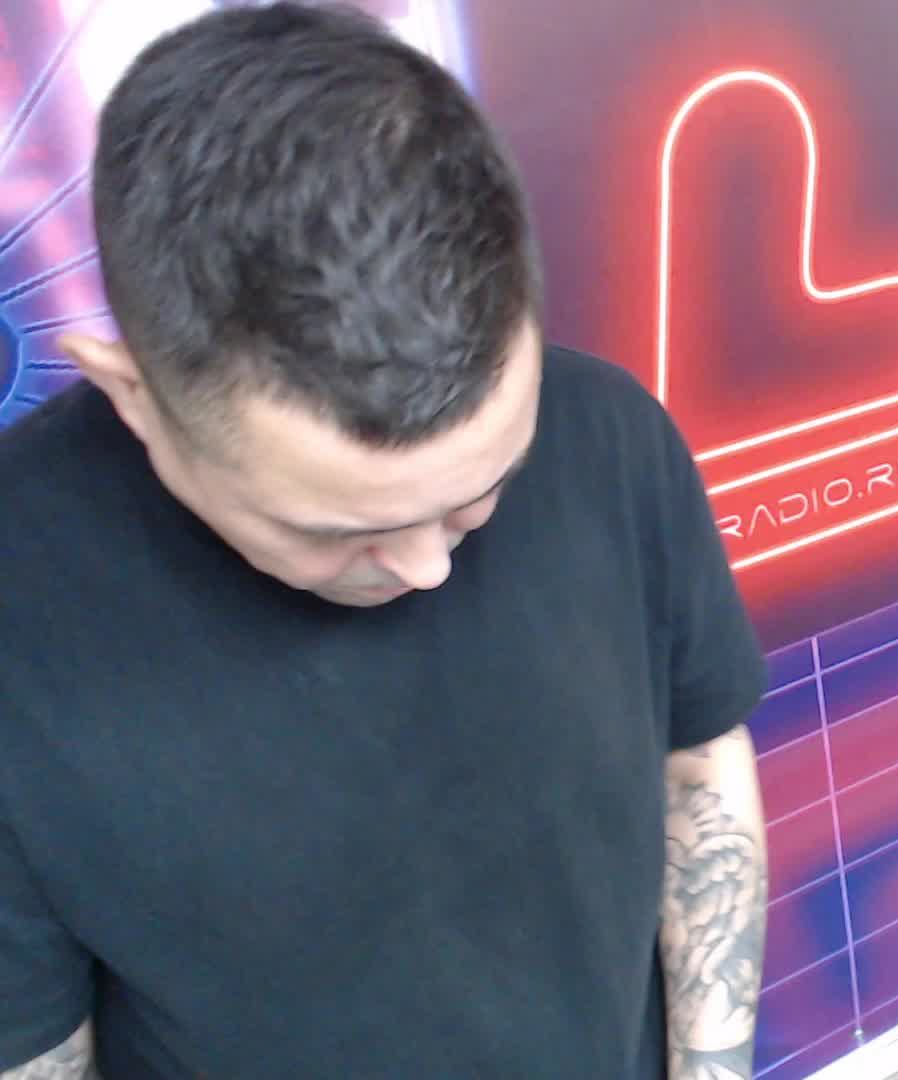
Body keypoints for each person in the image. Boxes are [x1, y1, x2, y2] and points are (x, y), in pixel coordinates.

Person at [0, 4, 770, 1078]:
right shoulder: (22, 611)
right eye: (342, 531)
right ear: (136, 397)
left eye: (480, 492)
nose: (427, 567)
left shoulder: (612, 433)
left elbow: (698, 765)